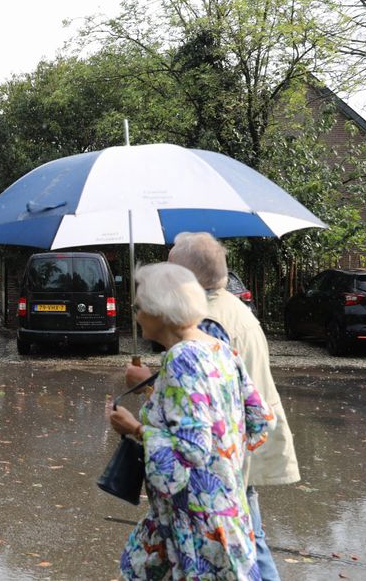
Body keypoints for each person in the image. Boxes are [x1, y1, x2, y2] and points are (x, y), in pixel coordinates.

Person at [107, 262, 273, 580]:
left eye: (139, 305)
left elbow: (191, 450)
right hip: (227, 509)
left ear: (160, 310)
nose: (136, 313)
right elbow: (259, 419)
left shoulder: (181, 359)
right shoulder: (221, 350)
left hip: (198, 526)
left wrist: (135, 429)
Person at [166, 231, 299, 580]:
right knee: (250, 538)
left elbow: (205, 395)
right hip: (238, 442)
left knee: (247, 543)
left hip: (224, 453)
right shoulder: (229, 307)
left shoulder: (210, 322)